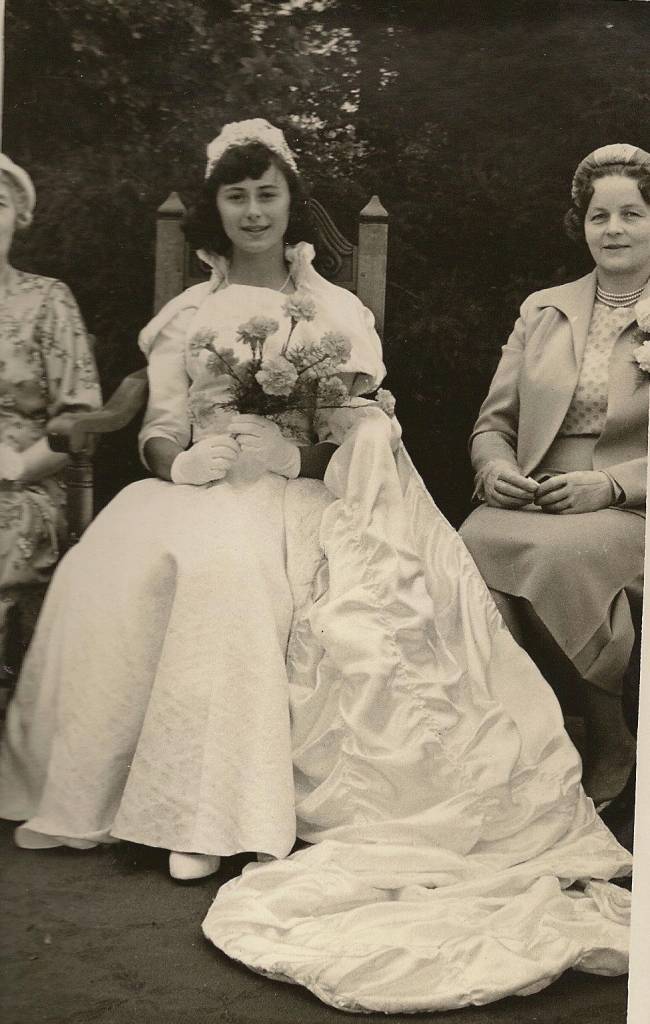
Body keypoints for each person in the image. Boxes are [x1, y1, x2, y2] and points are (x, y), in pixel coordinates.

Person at [0, 124, 635, 1013]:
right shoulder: (191, 314)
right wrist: (172, 461)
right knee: (124, 559)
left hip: (298, 489)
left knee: (237, 575)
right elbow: (164, 419)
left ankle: (220, 818)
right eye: (237, 196)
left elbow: (359, 421)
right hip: (206, 481)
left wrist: (301, 460)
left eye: (268, 194)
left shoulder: (331, 312)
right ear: (216, 211)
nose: (253, 211)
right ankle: (138, 801)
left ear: (291, 203)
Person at [460, 144, 648, 809]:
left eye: (632, 213)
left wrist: (613, 486)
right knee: (464, 553)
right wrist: (496, 469)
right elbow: (493, 424)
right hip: (535, 496)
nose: (615, 229)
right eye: (601, 216)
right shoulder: (543, 310)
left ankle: (608, 733)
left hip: (628, 505)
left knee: (558, 558)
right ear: (582, 224)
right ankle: (529, 746)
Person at [0, 154, 101, 711]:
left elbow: (77, 415)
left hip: (20, 486)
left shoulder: (47, 300)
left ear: (18, 216)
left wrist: (15, 468)